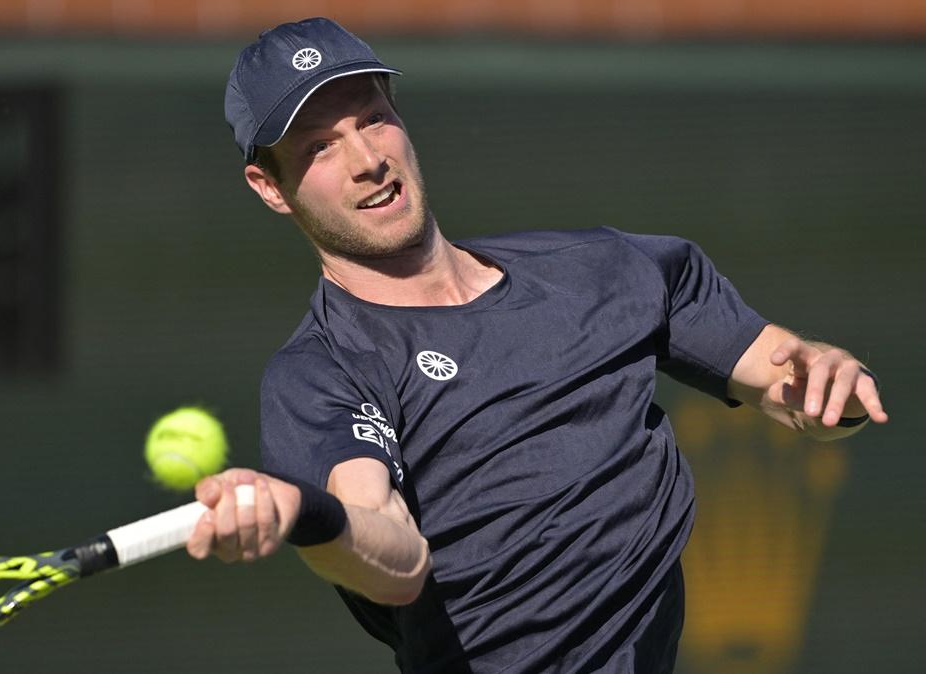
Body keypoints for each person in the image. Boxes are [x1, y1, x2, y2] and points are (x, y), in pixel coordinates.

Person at [185, 17, 888, 674]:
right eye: (319, 147)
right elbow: (391, 557)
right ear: (269, 187)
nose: (367, 159)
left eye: (373, 119)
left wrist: (831, 379)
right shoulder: (323, 372)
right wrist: (308, 515)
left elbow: (803, 398)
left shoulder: (607, 271)